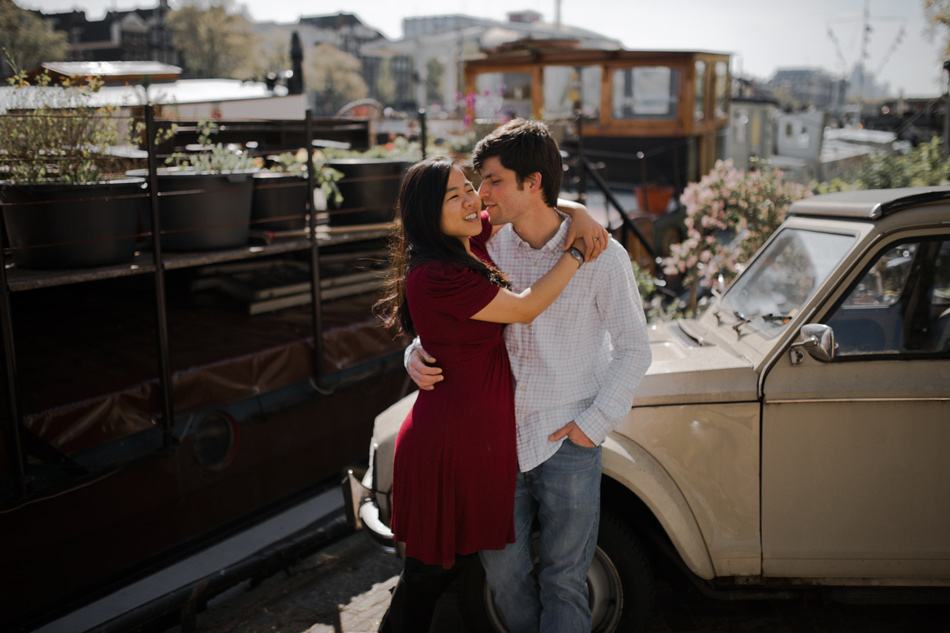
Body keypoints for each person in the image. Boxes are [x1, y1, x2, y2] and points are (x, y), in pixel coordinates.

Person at [406, 119, 652, 633]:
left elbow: (633, 349)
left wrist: (593, 426)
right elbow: (443, 309)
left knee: (565, 580)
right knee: (505, 581)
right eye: (476, 183)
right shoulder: (485, 247)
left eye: (492, 181)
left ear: (532, 183)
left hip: (568, 439)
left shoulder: (604, 257)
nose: (480, 196)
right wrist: (415, 351)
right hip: (493, 444)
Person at [375, 155, 602, 633]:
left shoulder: (464, 241)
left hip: (470, 440)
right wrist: (577, 252)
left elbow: (519, 204)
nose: (471, 199)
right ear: (424, 214)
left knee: (444, 570)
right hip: (447, 446)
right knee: (426, 578)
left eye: (468, 188)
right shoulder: (437, 273)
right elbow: (525, 308)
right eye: (453, 195)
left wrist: (577, 211)